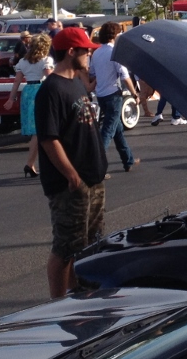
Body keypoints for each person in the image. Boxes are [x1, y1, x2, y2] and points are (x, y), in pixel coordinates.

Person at [36, 26, 106, 298]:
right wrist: (71, 175)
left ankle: (80, 293)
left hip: (93, 178)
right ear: (71, 52)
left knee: (89, 244)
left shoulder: (76, 82)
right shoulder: (51, 89)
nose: (89, 54)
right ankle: (58, 305)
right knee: (66, 247)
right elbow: (48, 139)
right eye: (86, 50)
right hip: (69, 184)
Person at [90, 21, 140, 172]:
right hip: (113, 94)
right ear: (115, 35)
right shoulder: (115, 52)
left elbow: (92, 73)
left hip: (101, 94)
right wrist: (134, 93)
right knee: (108, 131)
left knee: (117, 129)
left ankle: (128, 160)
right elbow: (125, 76)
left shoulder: (97, 53)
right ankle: (96, 165)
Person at [5, 34, 53, 176]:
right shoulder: (45, 60)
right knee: (41, 129)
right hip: (40, 90)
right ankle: (32, 163)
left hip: (28, 92)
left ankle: (32, 164)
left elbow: (17, 81)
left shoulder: (23, 61)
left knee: (36, 130)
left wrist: (11, 98)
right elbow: (50, 77)